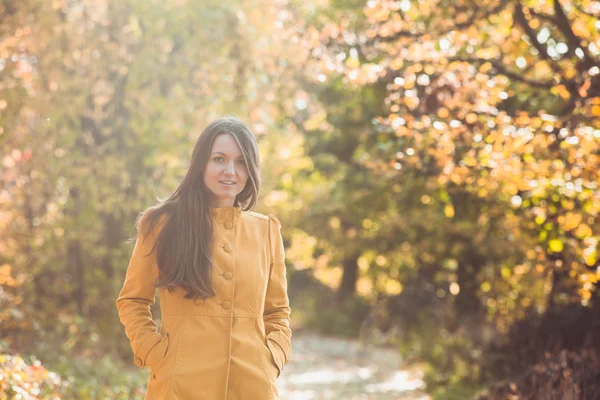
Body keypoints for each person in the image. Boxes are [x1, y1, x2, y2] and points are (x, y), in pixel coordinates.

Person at [116, 116, 292, 400]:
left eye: (241, 161)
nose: (230, 171)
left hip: (252, 385)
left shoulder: (267, 231)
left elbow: (277, 312)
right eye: (219, 159)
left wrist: (273, 358)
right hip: (180, 384)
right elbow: (133, 301)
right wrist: (156, 354)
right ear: (201, 164)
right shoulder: (162, 224)